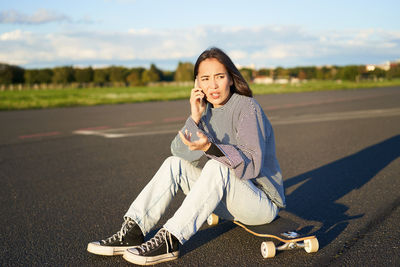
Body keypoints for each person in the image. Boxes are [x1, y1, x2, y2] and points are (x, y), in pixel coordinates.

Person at [87, 47, 286, 265]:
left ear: (231, 78)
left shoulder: (247, 107)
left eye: (219, 77)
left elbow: (252, 166)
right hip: (228, 198)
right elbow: (179, 153)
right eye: (205, 79)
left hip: (261, 203)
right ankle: (133, 231)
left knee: (216, 167)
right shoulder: (205, 111)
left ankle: (171, 239)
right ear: (197, 84)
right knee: (174, 164)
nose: (213, 85)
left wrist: (210, 147)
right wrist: (195, 116)